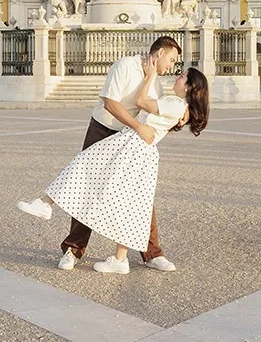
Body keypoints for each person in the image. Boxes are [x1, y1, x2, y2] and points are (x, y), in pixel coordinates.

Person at [19, 67, 208, 274]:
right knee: (129, 202)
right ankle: (119, 258)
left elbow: (141, 101)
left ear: (190, 87)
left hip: (130, 145)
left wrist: (151, 77)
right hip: (138, 149)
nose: (177, 76)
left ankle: (46, 203)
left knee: (84, 166)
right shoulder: (179, 106)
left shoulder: (175, 104)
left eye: (182, 77)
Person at [43, 36, 182, 271]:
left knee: (140, 194)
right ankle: (73, 250)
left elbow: (153, 114)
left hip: (127, 139)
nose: (172, 65)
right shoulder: (124, 66)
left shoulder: (156, 83)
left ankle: (152, 253)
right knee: (86, 187)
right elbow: (110, 103)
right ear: (159, 53)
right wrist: (139, 128)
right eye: (171, 59)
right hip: (102, 129)